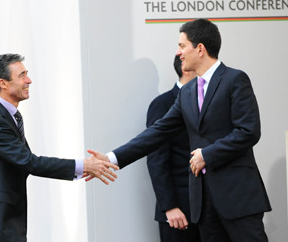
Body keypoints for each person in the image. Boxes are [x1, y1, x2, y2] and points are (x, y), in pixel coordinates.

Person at [89, 19, 271, 242]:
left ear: (200, 49)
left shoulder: (235, 79)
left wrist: (207, 154)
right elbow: (158, 132)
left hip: (237, 196)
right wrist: (111, 158)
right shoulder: (187, 92)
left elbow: (248, 131)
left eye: (182, 46)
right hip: (203, 201)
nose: (179, 53)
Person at [0, 53, 118, 242]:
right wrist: (84, 166)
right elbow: (29, 162)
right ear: (3, 83)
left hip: (5, 220)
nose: (28, 80)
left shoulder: (3, 115)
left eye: (27, 74)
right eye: (22, 75)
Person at [146, 55, 200, 241]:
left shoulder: (210, 102)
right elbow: (156, 159)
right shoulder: (162, 105)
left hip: (210, 210)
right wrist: (169, 206)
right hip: (179, 211)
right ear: (186, 69)